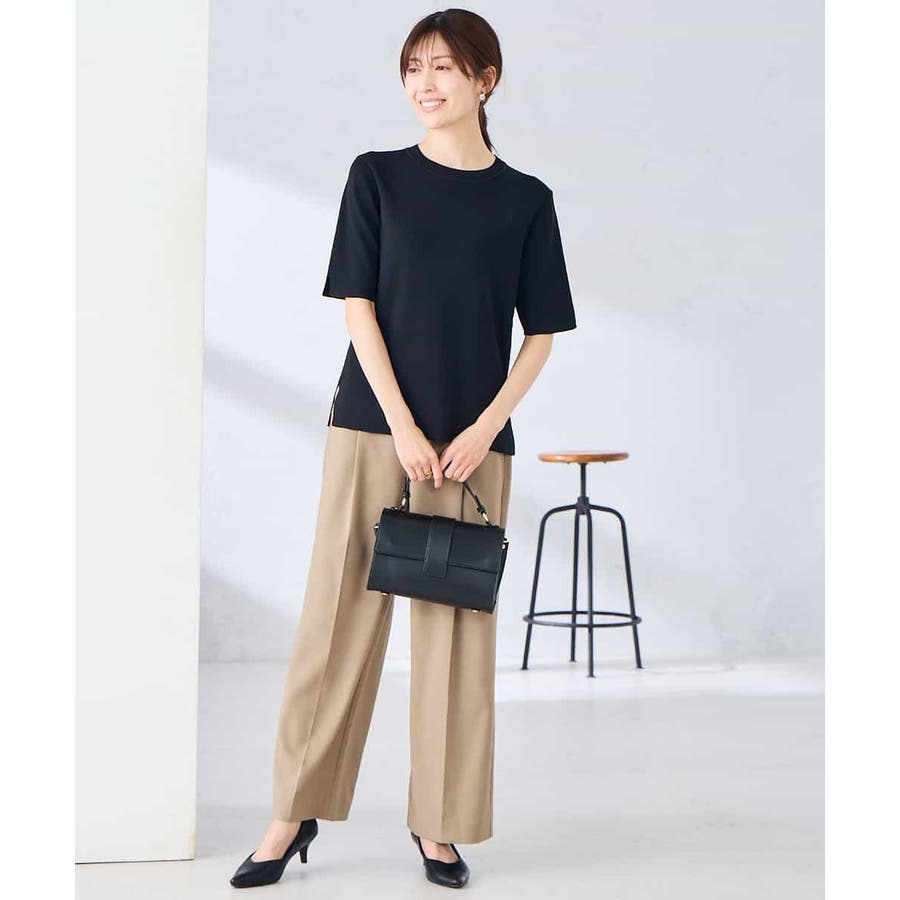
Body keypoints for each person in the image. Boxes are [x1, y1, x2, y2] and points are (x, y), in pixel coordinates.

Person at [230, 8, 577, 890]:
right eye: (414, 67)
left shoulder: (526, 200)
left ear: (485, 80)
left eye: (445, 68)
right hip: (372, 427)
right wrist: (407, 428)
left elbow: (540, 333)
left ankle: (440, 826)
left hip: (473, 448)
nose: (426, 83)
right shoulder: (377, 177)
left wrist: (481, 429)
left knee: (457, 637)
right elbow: (359, 308)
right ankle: (292, 813)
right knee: (336, 621)